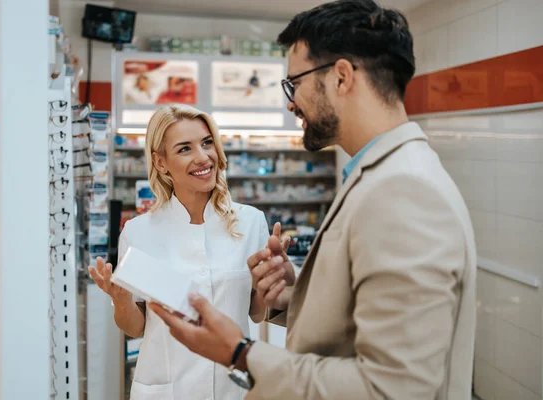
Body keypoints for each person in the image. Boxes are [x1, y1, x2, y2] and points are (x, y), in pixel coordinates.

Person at [150, 1, 477, 399]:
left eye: (295, 83)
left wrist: (242, 353)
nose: (291, 103)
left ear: (341, 77)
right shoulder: (383, 175)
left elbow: (394, 388)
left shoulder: (403, 190)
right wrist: (294, 294)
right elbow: (359, 332)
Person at [88, 104, 289, 400]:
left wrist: (271, 279)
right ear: (160, 163)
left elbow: (255, 313)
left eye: (207, 143)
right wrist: (122, 301)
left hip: (231, 388)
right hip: (166, 388)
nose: (203, 156)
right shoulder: (139, 231)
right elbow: (135, 326)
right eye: (184, 149)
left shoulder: (250, 221)